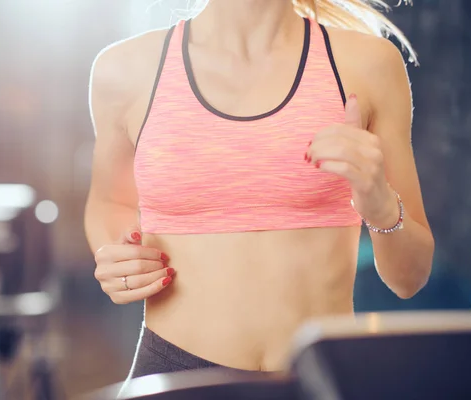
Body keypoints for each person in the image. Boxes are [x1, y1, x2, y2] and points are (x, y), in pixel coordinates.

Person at [85, 0, 434, 381]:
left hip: (319, 379)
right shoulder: (123, 70)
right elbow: (109, 202)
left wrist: (381, 206)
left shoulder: (369, 65)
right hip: (175, 376)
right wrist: (118, 256)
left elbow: (409, 279)